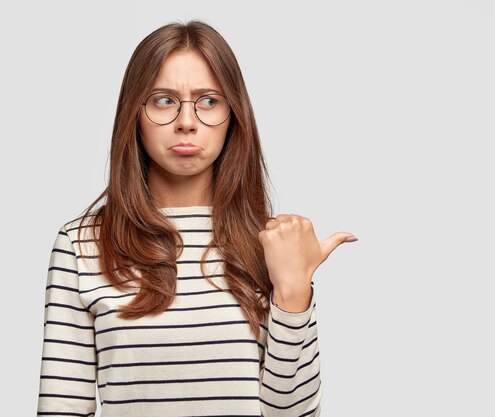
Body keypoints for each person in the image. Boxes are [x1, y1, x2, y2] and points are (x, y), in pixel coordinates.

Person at [36, 19, 357, 417]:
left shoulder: (272, 244)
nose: (187, 122)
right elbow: (61, 409)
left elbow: (293, 414)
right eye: (164, 100)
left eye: (208, 101)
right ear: (133, 113)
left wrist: (293, 291)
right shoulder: (81, 245)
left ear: (233, 115)